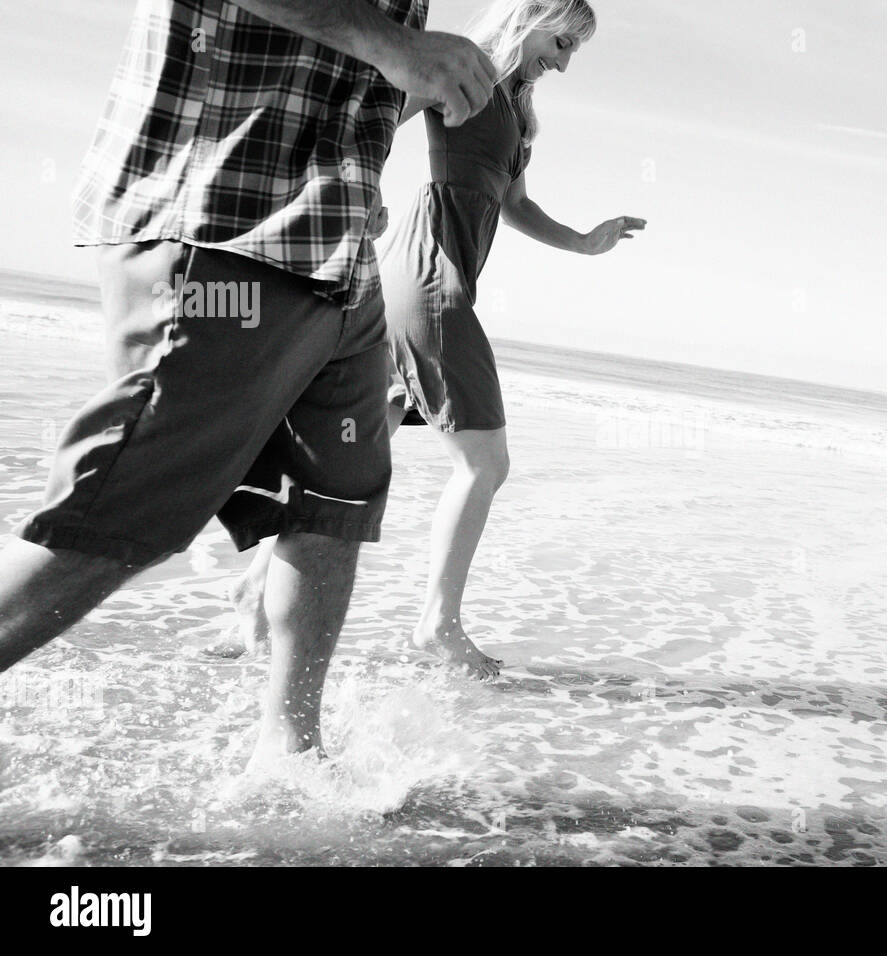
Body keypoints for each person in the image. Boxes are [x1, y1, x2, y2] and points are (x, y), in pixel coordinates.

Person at [0, 0, 499, 761]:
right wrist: (395, 44)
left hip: (338, 253)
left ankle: (292, 757)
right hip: (224, 223)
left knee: (335, 506)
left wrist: (361, 164)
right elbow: (372, 44)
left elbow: (350, 75)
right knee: (123, 513)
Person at [224, 0, 645, 679]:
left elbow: (514, 204)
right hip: (428, 274)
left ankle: (254, 594)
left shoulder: (514, 108)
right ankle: (437, 625)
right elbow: (375, 119)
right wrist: (360, 191)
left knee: (358, 451)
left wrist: (583, 242)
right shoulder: (463, 71)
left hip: (427, 275)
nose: (564, 63)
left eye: (573, 52)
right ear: (530, 16)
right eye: (562, 43)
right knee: (485, 463)